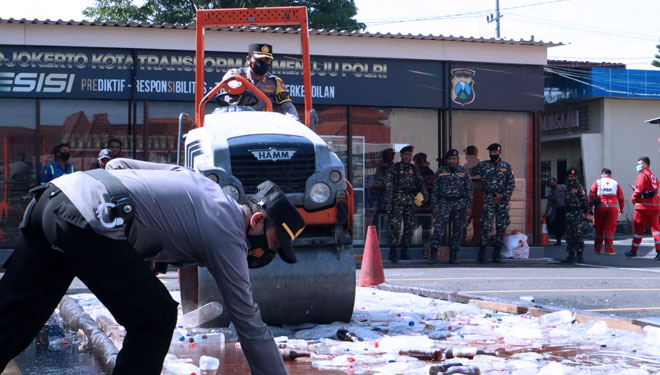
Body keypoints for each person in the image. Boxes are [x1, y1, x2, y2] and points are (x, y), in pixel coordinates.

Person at [0, 158, 305, 375]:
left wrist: (144, 246)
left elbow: (116, 166)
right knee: (155, 318)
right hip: (86, 221)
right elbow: (248, 322)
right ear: (257, 220)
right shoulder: (228, 232)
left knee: (13, 320)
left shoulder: (199, 183)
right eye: (274, 244)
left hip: (54, 199)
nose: (268, 253)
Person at [221, 43, 299, 119]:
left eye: (267, 60)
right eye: (258, 59)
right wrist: (233, 83)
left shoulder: (275, 82)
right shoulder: (238, 74)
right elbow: (229, 76)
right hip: (237, 120)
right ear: (248, 59)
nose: (263, 63)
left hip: (262, 124)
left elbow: (287, 106)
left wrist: (295, 120)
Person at [470, 143, 515, 263]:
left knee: (501, 226)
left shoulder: (506, 166)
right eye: (491, 152)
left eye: (495, 152)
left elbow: (511, 184)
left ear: (499, 152)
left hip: (502, 200)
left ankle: (497, 253)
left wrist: (503, 195)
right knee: (485, 224)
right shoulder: (483, 165)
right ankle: (482, 251)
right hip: (488, 198)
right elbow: (468, 173)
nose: (493, 154)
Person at [428, 149, 473, 264]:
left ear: (458, 159)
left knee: (458, 230)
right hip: (444, 204)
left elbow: (469, 190)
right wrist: (434, 206)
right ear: (446, 161)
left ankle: (454, 253)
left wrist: (468, 206)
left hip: (459, 204)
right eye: (449, 159)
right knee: (438, 229)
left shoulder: (464, 172)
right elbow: (435, 190)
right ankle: (433, 252)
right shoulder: (441, 171)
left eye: (454, 159)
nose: (451, 161)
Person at [385, 145, 425, 262]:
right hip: (397, 199)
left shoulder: (415, 169)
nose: (408, 157)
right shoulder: (394, 168)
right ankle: (393, 252)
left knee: (409, 227)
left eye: (409, 155)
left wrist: (424, 198)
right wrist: (388, 201)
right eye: (405, 155)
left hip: (410, 200)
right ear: (401, 156)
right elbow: (389, 186)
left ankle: (404, 251)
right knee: (395, 226)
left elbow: (421, 184)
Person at [625, 156, 660, 259]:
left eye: (638, 164)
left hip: (642, 208)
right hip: (654, 207)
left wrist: (633, 198)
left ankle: (633, 251)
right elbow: (654, 191)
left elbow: (639, 190)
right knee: (656, 230)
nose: (637, 166)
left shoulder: (642, 175)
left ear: (644, 165)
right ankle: (659, 251)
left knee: (638, 230)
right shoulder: (653, 176)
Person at [588, 168, 624, 255]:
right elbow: (621, 198)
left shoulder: (597, 182)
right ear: (610, 175)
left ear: (602, 175)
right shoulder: (615, 183)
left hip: (600, 208)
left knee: (599, 228)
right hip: (612, 209)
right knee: (609, 229)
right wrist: (621, 209)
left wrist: (589, 208)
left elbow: (591, 196)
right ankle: (609, 250)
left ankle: (598, 248)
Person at [563, 168, 589, 263]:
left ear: (576, 177)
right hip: (568, 214)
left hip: (577, 214)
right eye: (569, 177)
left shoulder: (579, 187)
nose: (570, 178)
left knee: (578, 234)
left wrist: (585, 212)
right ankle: (571, 254)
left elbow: (584, 201)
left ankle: (579, 255)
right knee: (569, 235)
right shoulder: (566, 187)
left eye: (572, 177)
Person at [413, 152, 435, 259]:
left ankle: (425, 250)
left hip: (421, 207)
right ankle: (425, 249)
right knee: (425, 230)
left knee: (415, 228)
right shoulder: (428, 172)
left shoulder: (417, 172)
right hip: (423, 207)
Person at [544, 178, 567, 246]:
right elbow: (549, 204)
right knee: (556, 225)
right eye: (550, 183)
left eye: (553, 182)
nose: (552, 184)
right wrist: (546, 212)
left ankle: (568, 239)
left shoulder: (562, 187)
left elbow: (569, 194)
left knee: (565, 224)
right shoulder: (551, 193)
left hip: (565, 208)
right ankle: (558, 240)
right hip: (556, 210)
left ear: (556, 182)